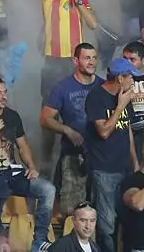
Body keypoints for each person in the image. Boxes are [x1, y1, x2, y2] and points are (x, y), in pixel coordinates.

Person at [0, 76, 56, 252]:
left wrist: (31, 167)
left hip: (12, 174)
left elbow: (23, 146)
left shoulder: (12, 116)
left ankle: (39, 240)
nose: (3, 96)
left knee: (48, 190)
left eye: (5, 92)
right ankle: (0, 243)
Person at [39, 43, 102, 227]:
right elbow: (45, 119)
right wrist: (67, 130)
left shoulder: (103, 85)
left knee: (98, 210)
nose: (92, 62)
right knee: (71, 211)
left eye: (94, 58)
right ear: (75, 61)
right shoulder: (63, 87)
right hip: (72, 156)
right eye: (87, 58)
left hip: (100, 157)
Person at [84, 58, 140, 252]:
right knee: (106, 224)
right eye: (130, 76)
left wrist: (135, 163)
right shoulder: (96, 97)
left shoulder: (124, 96)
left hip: (125, 167)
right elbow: (104, 132)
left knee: (125, 219)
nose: (132, 80)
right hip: (104, 169)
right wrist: (120, 106)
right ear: (119, 78)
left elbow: (127, 130)